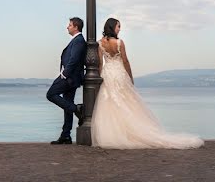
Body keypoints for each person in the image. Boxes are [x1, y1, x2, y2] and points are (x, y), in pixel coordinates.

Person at [92, 17, 203, 149]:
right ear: (112, 27)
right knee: (126, 103)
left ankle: (113, 135)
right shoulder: (119, 43)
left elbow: (99, 63)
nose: (119, 29)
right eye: (118, 26)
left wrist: (98, 78)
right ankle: (129, 132)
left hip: (108, 74)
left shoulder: (99, 44)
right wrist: (130, 77)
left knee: (110, 104)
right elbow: (125, 61)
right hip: (119, 74)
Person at [45, 17, 85, 144]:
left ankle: (77, 109)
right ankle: (66, 135)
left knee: (51, 94)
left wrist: (64, 74)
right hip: (71, 77)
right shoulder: (76, 40)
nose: (67, 27)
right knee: (67, 102)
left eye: (70, 25)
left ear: (76, 27)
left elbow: (74, 59)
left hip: (69, 78)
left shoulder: (78, 40)